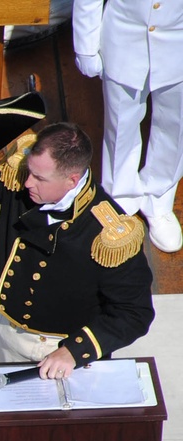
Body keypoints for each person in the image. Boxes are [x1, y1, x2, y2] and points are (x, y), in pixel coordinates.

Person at [0, 120, 155, 378]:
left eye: (39, 178)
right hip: (8, 335)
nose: (27, 183)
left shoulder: (110, 234)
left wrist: (74, 351)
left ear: (71, 180)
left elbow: (133, 313)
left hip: (68, 354)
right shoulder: (23, 178)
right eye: (30, 172)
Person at [73, 0, 183, 253]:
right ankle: (119, 195)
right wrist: (86, 48)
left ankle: (159, 198)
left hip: (179, 43)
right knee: (120, 125)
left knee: (176, 128)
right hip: (123, 39)